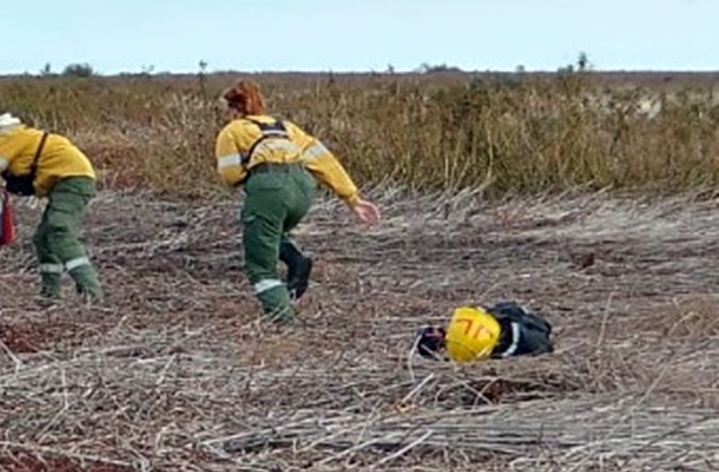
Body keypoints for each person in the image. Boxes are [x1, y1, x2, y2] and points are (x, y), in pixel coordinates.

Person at [214, 79, 381, 323]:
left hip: (269, 188)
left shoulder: (231, 131)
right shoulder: (287, 128)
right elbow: (323, 161)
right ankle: (296, 260)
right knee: (266, 232)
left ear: (232, 109)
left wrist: (252, 179)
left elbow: (230, 175)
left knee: (260, 264)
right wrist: (353, 199)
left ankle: (283, 318)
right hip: (303, 188)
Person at [0, 107, 104, 303]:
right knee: (42, 240)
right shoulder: (15, 136)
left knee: (59, 229)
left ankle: (91, 293)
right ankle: (50, 294)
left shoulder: (9, 134)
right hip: (66, 180)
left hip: (72, 179)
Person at [416, 303, 553, 362]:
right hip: (520, 337)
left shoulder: (459, 355)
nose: (435, 328)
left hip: (521, 339)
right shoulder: (459, 347)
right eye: (430, 331)